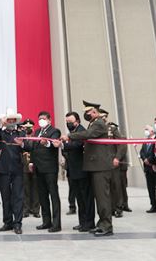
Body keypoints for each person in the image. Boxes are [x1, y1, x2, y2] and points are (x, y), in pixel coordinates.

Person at [63, 101, 114, 237]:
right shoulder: (93, 123)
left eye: (89, 111)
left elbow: (87, 134)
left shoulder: (98, 123)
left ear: (95, 112)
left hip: (100, 166)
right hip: (95, 166)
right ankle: (101, 223)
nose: (87, 114)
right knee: (99, 197)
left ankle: (106, 226)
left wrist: (69, 136)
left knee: (103, 198)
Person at [26, 110, 62, 232]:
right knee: (42, 196)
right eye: (39, 118)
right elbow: (32, 148)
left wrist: (46, 142)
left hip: (49, 168)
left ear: (49, 120)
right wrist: (30, 159)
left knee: (53, 195)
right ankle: (46, 221)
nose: (41, 120)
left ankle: (56, 224)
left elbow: (53, 144)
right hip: (38, 168)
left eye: (43, 118)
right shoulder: (37, 131)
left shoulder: (54, 131)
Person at [0, 109, 26, 234]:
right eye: (8, 120)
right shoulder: (1, 133)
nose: (11, 122)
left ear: (15, 121)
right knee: (5, 197)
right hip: (3, 169)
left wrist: (22, 144)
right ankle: (7, 222)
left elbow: (28, 147)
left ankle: (17, 223)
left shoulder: (21, 132)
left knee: (18, 197)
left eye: (13, 120)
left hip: (17, 169)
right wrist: (1, 124)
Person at [62, 111, 94, 232]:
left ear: (77, 121)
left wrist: (63, 145)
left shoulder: (81, 131)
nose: (68, 124)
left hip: (82, 169)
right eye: (67, 122)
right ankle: (82, 222)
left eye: (70, 122)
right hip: (73, 169)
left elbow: (77, 145)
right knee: (79, 198)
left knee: (86, 197)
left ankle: (89, 223)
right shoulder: (72, 132)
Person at [100, 108, 129, 217]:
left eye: (104, 117)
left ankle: (119, 207)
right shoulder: (97, 129)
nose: (103, 119)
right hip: (102, 163)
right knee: (105, 187)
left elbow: (122, 144)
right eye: (101, 117)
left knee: (116, 186)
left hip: (112, 162)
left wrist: (117, 158)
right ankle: (110, 208)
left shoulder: (112, 129)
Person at [20, 119, 40, 218]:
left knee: (36, 188)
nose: (28, 129)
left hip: (35, 165)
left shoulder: (36, 137)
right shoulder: (20, 137)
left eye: (30, 127)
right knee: (25, 189)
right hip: (23, 165)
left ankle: (36, 209)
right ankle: (26, 209)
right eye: (26, 127)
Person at [139, 124, 156, 213]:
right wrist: (144, 159)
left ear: (152, 131)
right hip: (147, 168)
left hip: (155, 167)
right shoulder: (145, 140)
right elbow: (142, 151)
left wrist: (149, 160)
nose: (145, 131)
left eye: (147, 129)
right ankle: (153, 205)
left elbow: (155, 151)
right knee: (150, 188)